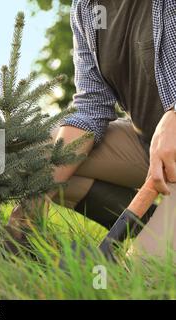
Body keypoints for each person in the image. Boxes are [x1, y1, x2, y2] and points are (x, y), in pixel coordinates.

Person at [10, 0, 176, 260]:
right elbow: (91, 106)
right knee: (31, 156)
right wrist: (33, 203)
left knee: (142, 271)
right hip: (149, 146)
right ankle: (148, 223)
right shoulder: (86, 8)